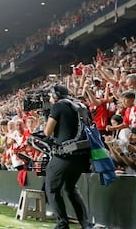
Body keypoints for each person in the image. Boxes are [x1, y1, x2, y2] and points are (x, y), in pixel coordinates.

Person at [43, 84, 92, 229]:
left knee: (51, 188)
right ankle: (86, 224)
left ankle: (62, 224)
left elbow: (47, 131)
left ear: (56, 95)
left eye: (51, 96)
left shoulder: (58, 106)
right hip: (82, 156)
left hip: (65, 155)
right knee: (70, 188)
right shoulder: (81, 105)